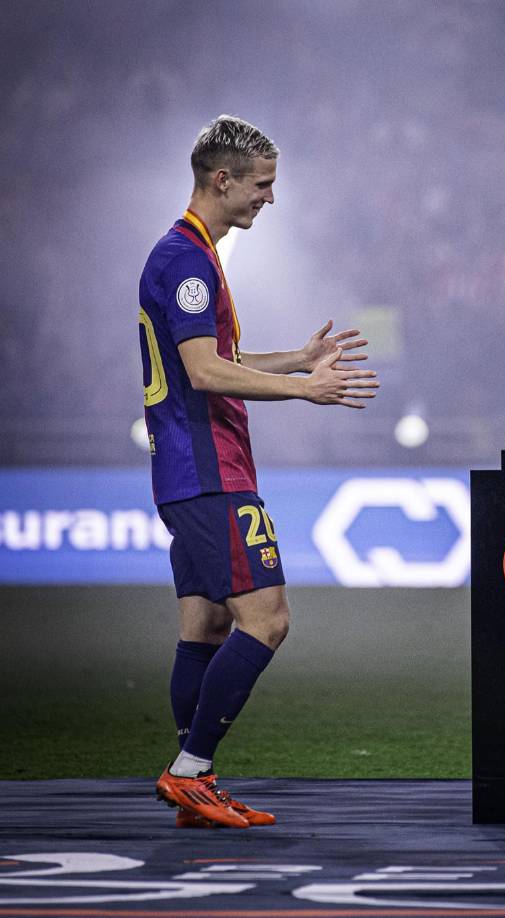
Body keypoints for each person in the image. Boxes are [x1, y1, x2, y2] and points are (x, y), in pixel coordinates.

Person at [138, 114, 379, 828]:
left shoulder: (191, 253)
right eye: (262, 185)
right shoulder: (186, 259)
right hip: (210, 470)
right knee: (266, 620)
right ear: (223, 180)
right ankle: (188, 772)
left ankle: (195, 785)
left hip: (188, 470)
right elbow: (205, 371)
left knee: (206, 625)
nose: (268, 199)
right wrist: (307, 390)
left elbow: (221, 360)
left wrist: (296, 360)